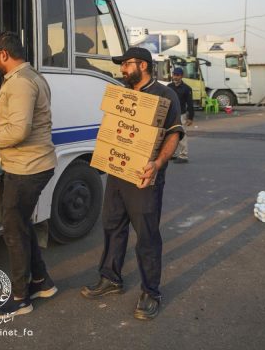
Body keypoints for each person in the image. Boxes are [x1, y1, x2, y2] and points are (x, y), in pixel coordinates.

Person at [81, 46, 183, 321]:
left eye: (126, 65)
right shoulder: (124, 96)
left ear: (143, 65)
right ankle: (110, 278)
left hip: (144, 178)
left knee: (147, 235)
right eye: (123, 65)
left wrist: (157, 164)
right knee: (112, 225)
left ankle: (151, 292)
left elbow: (174, 134)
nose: (122, 70)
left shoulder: (165, 94)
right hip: (117, 174)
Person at [0, 31, 58, 317]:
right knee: (21, 225)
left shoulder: (20, 83)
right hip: (33, 164)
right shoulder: (32, 76)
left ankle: (21, 297)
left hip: (26, 168)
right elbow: (22, 120)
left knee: (13, 230)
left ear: (4, 54)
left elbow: (20, 131)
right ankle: (41, 282)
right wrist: (0, 128)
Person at [169, 66, 194, 163]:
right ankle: (173, 153)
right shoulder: (169, 87)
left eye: (177, 75)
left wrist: (190, 118)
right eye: (174, 74)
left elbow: (190, 104)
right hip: (170, 114)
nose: (175, 77)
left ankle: (183, 155)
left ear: (182, 76)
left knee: (182, 135)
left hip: (181, 115)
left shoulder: (187, 89)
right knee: (170, 135)